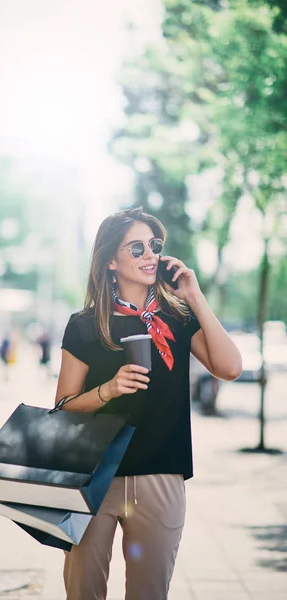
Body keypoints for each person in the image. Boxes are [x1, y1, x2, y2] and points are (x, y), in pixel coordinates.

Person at [55, 208, 242, 600]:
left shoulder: (178, 317)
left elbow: (230, 367)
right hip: (92, 478)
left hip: (162, 475)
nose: (149, 255)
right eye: (136, 247)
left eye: (155, 246)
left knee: (149, 594)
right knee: (82, 592)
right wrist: (108, 389)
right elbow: (63, 407)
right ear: (110, 260)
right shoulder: (85, 325)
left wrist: (193, 294)